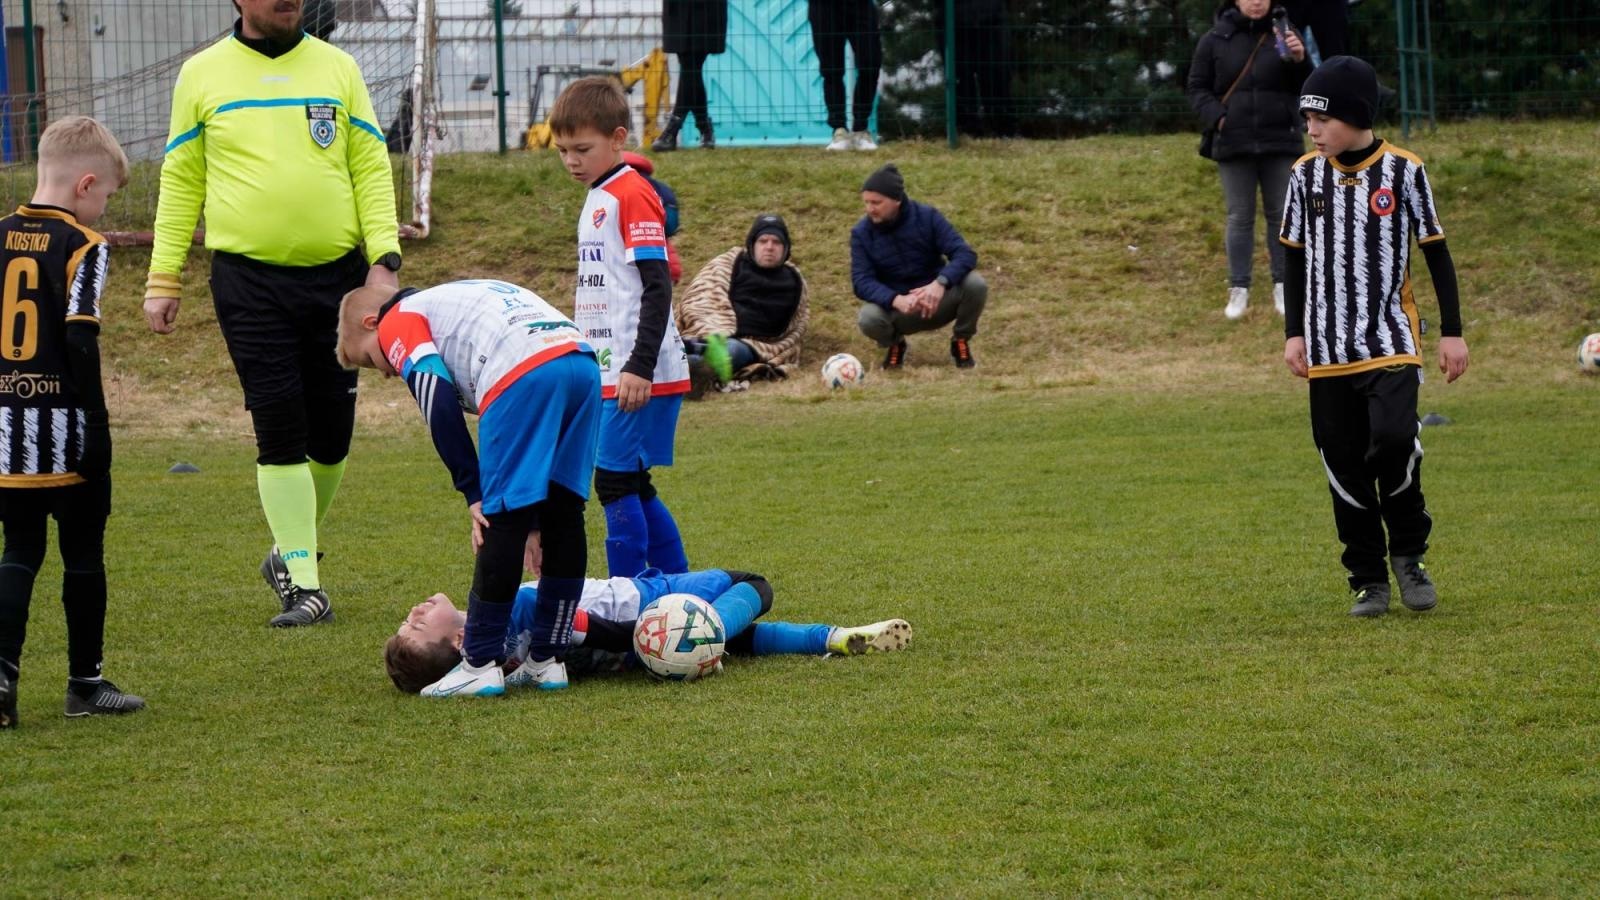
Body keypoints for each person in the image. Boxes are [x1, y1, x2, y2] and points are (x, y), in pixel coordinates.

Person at [144, 0, 401, 628]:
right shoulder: (202, 75)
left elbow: (369, 166)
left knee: (333, 435)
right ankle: (304, 583)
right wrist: (163, 275)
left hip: (338, 279)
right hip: (248, 280)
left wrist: (384, 259)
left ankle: (288, 549)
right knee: (280, 423)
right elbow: (182, 180)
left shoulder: (339, 69)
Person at [336, 278, 601, 697]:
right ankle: (548, 661)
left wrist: (473, 490)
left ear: (373, 322)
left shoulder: (397, 321)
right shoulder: (454, 298)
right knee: (564, 512)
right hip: (580, 361)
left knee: (500, 517)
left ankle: (478, 662)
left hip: (521, 370)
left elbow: (437, 399)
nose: (387, 372)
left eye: (371, 360)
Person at [1279, 56, 1469, 618]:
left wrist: (1452, 332)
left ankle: (1409, 555)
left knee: (1391, 441)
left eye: (1321, 120)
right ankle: (1369, 580)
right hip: (1326, 350)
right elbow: (1291, 262)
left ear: (1355, 116)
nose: (1311, 131)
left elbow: (1437, 253)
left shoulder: (1405, 170)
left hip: (1390, 341)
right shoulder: (1303, 175)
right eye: (1306, 121)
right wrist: (1294, 334)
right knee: (1343, 464)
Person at [0, 117, 144, 728]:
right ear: (86, 184)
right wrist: (98, 426)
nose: (104, 209)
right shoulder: (83, 244)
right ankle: (85, 685)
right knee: (83, 553)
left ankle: (2, 677)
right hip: (64, 427)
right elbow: (80, 342)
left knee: (20, 549)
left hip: (5, 430)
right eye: (107, 195)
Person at [550, 77, 694, 581]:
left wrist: (639, 366)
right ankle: (677, 584)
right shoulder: (599, 193)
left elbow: (657, 287)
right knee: (632, 481)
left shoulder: (631, 192)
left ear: (618, 138)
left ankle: (629, 597)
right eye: (563, 150)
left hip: (636, 369)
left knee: (613, 481)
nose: (571, 160)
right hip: (611, 368)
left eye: (582, 149)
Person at [384, 567, 913, 693]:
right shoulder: (519, 606)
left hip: (638, 657)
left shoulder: (504, 671)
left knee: (743, 640)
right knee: (752, 584)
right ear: (457, 641)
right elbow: (603, 630)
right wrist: (665, 630)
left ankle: (836, 637)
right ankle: (703, 633)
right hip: (652, 603)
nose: (415, 608)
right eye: (416, 623)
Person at [1187, 0, 1311, 321]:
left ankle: (1284, 286)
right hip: (1233, 143)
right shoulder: (1214, 38)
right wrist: (1221, 119)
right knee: (1239, 216)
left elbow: (1307, 85)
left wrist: (1299, 59)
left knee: (1281, 216)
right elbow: (1197, 88)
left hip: (1280, 140)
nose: (1256, 2)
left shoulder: (1285, 33)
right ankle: (1238, 289)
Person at [851, 164, 986, 370]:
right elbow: (861, 281)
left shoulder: (928, 217)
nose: (870, 209)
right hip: (901, 309)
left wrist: (940, 283)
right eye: (867, 202)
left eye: (876, 203)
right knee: (868, 318)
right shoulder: (861, 233)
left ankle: (960, 340)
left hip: (939, 301)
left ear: (896, 200)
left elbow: (965, 254)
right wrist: (895, 299)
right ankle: (896, 345)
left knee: (975, 283)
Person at [678, 213, 810, 396]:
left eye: (776, 242)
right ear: (752, 244)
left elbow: (796, 326)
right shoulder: (730, 263)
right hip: (712, 330)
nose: (769, 247)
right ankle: (688, 360)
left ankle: (694, 371)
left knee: (731, 350)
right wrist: (717, 327)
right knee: (682, 344)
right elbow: (704, 295)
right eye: (763, 241)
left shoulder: (795, 281)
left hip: (751, 343)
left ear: (786, 248)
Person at [652, 0, 728, 151]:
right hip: (680, 8)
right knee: (691, 66)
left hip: (704, 8)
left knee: (690, 63)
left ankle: (673, 130)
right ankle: (704, 129)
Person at [808, 0, 882, 151]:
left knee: (870, 63)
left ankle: (860, 129)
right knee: (831, 70)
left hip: (861, 6)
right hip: (823, 7)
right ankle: (839, 130)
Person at [621, 152, 684, 284]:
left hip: (648, 216)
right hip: (668, 215)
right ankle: (672, 271)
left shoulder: (627, 183)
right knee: (660, 243)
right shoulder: (655, 183)